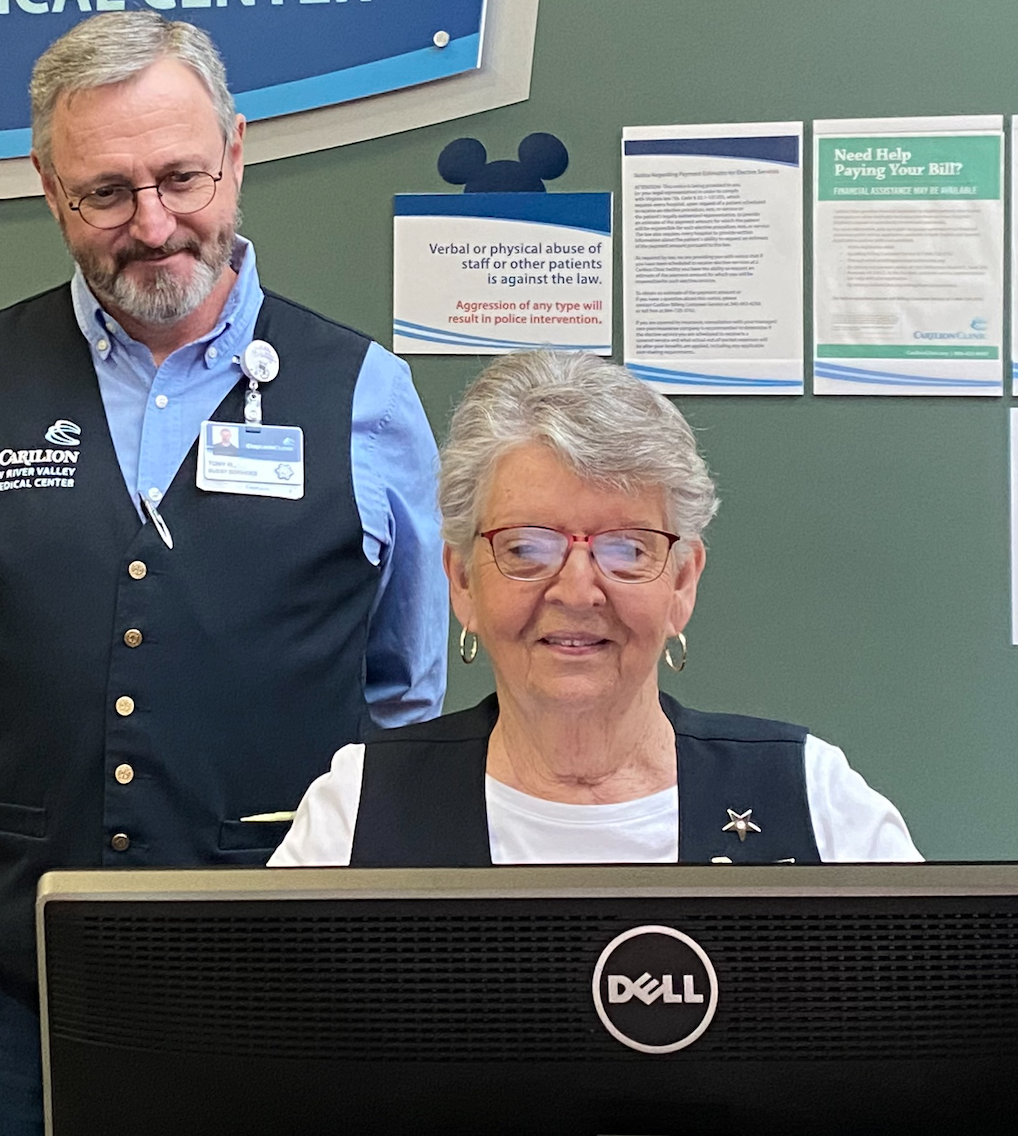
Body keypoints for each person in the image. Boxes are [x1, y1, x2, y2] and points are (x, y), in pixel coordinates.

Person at [0, 12, 446, 1136]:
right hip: (12, 986)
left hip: (282, 988)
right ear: (47, 188)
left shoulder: (366, 397)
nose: (152, 222)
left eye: (181, 176)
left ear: (235, 156)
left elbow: (402, 693)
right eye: (105, 191)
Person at [271, 349, 918, 867]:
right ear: (462, 581)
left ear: (683, 582)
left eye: (626, 548)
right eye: (527, 547)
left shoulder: (815, 803)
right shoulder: (358, 813)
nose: (578, 591)